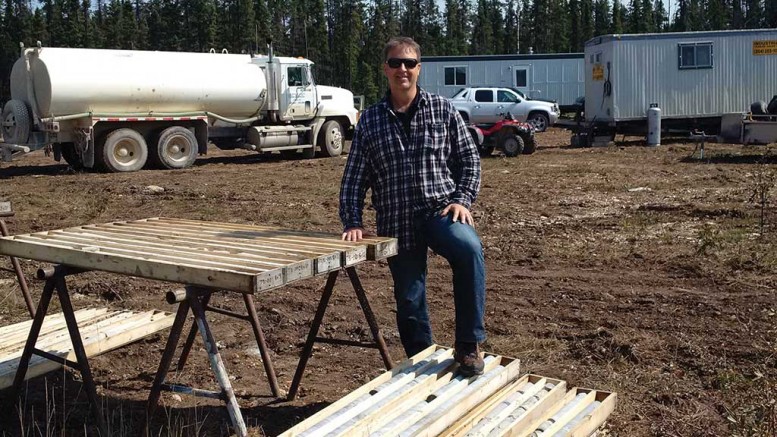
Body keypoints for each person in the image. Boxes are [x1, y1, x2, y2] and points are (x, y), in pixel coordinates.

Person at [339, 36, 486, 376]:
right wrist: (352, 221)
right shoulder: (371, 121)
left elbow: (469, 159)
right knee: (409, 298)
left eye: (409, 63)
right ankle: (423, 360)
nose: (402, 69)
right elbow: (353, 179)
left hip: (440, 211)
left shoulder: (442, 109)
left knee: (469, 250)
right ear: (385, 69)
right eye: (395, 63)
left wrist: (462, 198)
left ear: (419, 68)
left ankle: (468, 345)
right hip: (396, 219)